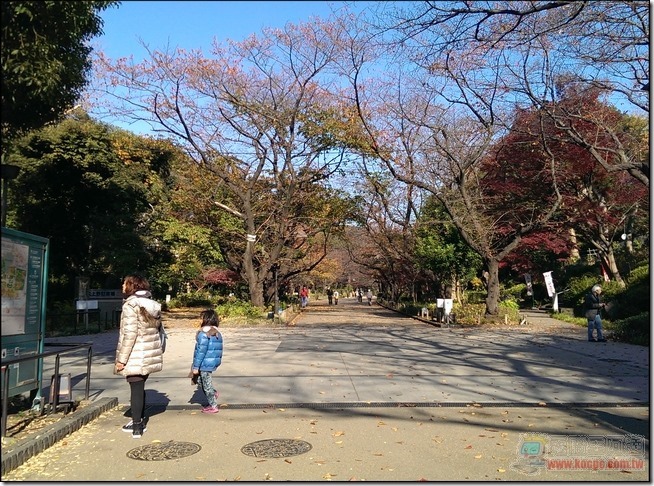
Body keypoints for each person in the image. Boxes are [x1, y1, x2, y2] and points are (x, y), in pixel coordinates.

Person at [115, 274, 164, 438]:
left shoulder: (130, 305)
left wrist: (121, 360)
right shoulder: (153, 304)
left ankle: (136, 426)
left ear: (132, 286)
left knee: (136, 388)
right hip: (149, 352)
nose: (122, 286)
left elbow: (129, 334)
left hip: (135, 353)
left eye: (124, 283)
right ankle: (139, 420)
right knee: (140, 386)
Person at [191, 309, 224, 413]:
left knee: (206, 384)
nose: (199, 320)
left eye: (201, 318)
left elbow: (201, 351)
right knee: (201, 381)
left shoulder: (204, 333)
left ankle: (213, 405)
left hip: (205, 363)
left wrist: (196, 366)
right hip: (211, 361)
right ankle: (213, 393)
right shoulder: (216, 332)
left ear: (206, 319)